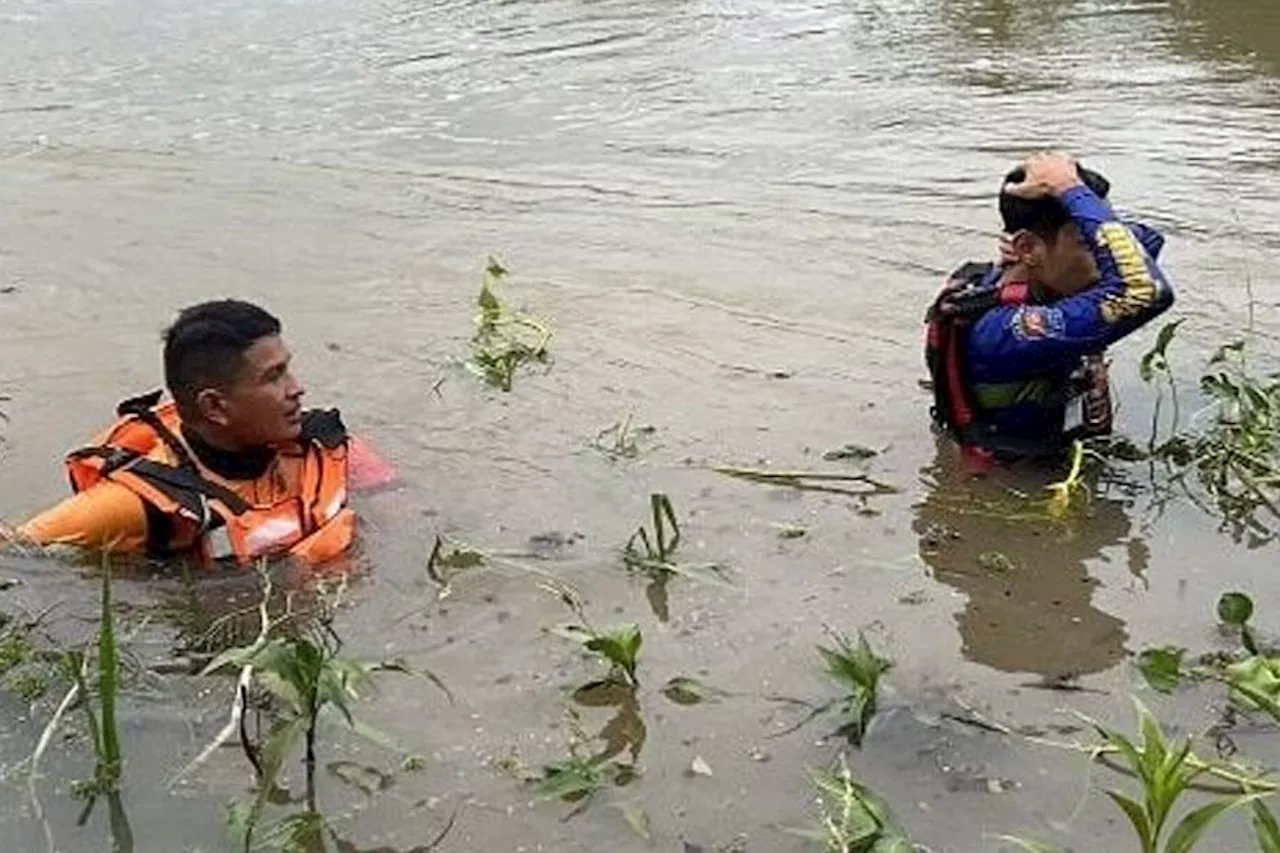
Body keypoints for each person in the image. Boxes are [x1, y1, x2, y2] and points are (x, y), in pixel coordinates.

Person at [10, 300, 393, 566]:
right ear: (214, 407)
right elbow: (16, 554)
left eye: (287, 369)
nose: (297, 389)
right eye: (273, 377)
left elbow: (408, 515)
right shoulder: (132, 505)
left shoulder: (328, 449)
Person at [925, 151, 1175, 465]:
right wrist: (1069, 188)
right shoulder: (1006, 331)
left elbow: (1150, 241)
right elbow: (1144, 289)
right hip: (1021, 485)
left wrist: (1078, 199)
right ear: (1027, 248)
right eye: (1088, 244)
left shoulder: (1050, 278)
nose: (1102, 263)